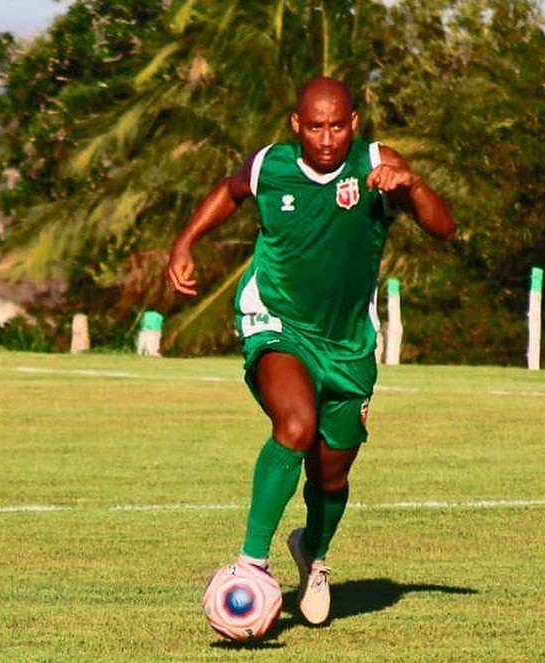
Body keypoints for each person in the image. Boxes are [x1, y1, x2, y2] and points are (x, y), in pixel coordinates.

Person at [166, 76, 455, 626]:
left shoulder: (377, 165)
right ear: (297, 125)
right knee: (295, 425)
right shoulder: (270, 165)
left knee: (331, 473)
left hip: (348, 346)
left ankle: (313, 555)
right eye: (316, 126)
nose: (327, 138)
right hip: (276, 322)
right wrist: (185, 243)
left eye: (338, 125)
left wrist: (412, 186)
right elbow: (229, 192)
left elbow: (446, 229)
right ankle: (250, 563)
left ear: (354, 122)